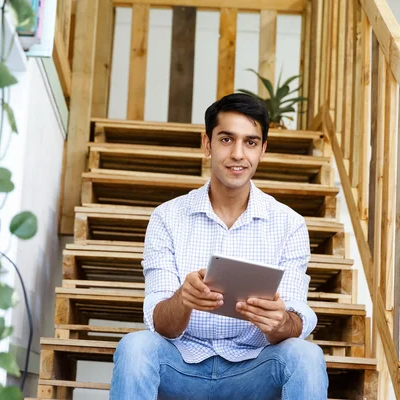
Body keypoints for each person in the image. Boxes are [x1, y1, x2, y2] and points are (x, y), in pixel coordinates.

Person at [109, 93, 328, 399]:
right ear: (207, 144)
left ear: (263, 149)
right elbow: (161, 324)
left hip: (253, 371)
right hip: (180, 367)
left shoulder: (289, 224)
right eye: (227, 139)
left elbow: (293, 319)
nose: (238, 154)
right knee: (134, 347)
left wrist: (278, 322)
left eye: (250, 142)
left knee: (306, 355)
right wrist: (183, 299)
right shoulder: (167, 218)